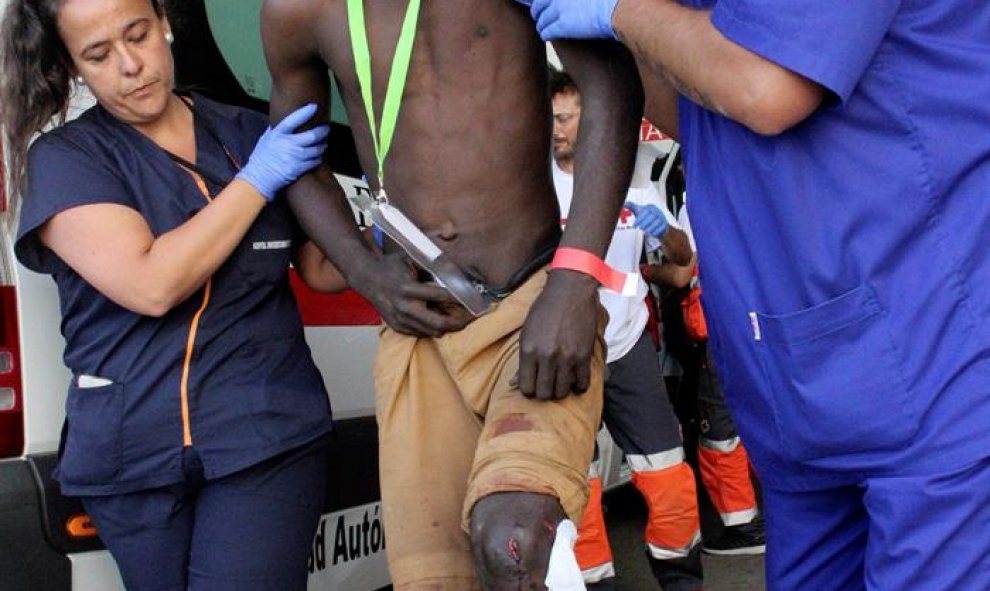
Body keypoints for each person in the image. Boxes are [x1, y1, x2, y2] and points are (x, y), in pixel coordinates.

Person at [520, 1, 990, 589]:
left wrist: (619, 9)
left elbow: (764, 87)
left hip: (931, 356)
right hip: (797, 378)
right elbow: (693, 108)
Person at [260, 0, 644, 588]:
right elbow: (296, 152)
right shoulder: (297, 10)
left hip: (534, 308)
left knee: (511, 540)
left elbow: (611, 90)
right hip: (421, 336)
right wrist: (364, 272)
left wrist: (573, 280)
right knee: (438, 580)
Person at [0, 0, 340, 589]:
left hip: (262, 436)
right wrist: (258, 181)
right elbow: (151, 284)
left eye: (137, 34)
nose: (131, 65)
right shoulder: (66, 159)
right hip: (132, 457)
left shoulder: (247, 132)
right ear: (74, 67)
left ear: (164, 20)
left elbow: (321, 267)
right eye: (99, 55)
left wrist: (391, 223)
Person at [549, 68, 701, 591]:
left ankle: (681, 579)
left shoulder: (630, 188)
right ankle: (596, 584)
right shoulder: (532, 193)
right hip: (566, 354)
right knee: (579, 488)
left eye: (567, 118)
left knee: (669, 477)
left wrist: (669, 231)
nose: (558, 129)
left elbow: (681, 264)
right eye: (551, 118)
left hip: (628, 346)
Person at [650, 195, 766, 557]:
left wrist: (645, 272)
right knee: (756, 423)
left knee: (719, 431)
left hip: (723, 329)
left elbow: (684, 272)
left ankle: (745, 527)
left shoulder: (700, 199)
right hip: (758, 326)